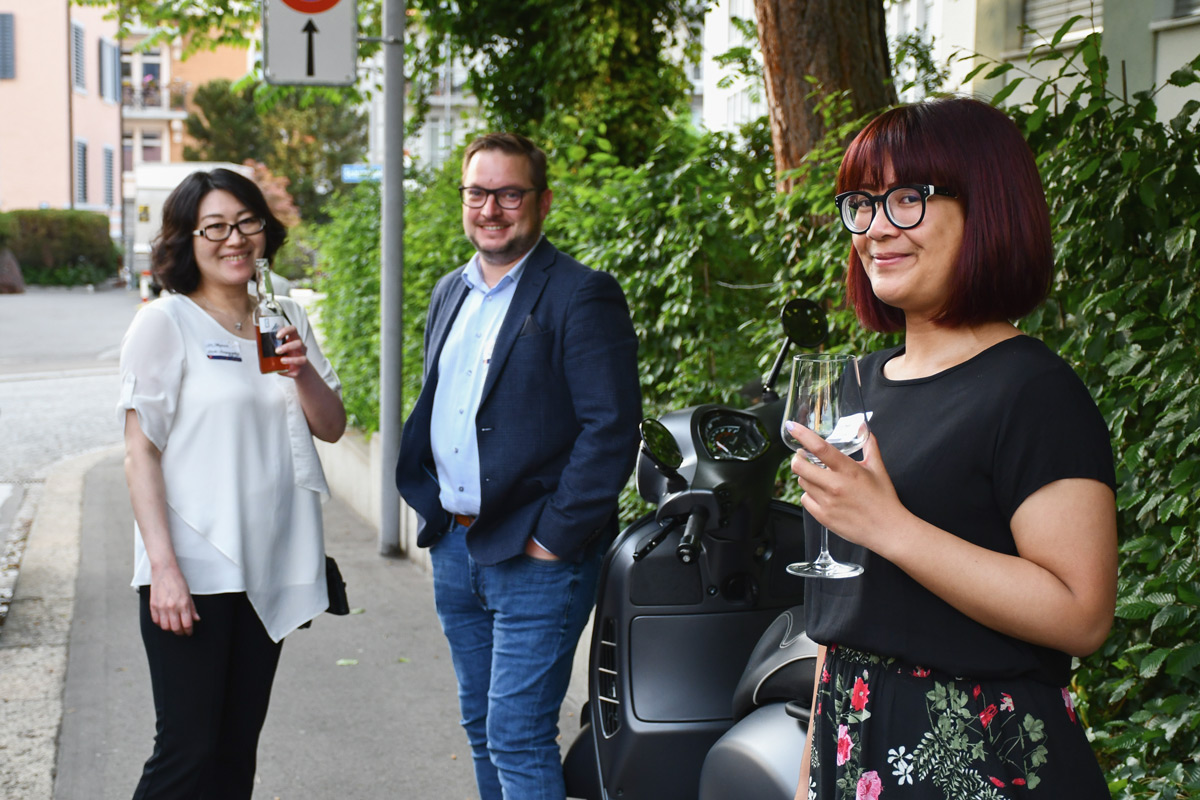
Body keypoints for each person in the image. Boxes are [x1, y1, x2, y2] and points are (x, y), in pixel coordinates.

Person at [787, 97, 1117, 799]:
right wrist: (811, 776)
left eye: (908, 198)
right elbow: (843, 624)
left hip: (982, 760)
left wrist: (892, 528)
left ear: (990, 205)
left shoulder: (1033, 390)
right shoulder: (855, 384)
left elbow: (1081, 613)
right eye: (863, 203)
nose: (877, 228)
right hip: (856, 747)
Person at [395, 132, 641, 800]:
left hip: (535, 556)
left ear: (542, 201)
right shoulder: (452, 291)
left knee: (517, 735)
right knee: (481, 727)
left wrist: (554, 538)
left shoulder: (581, 294)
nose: (492, 208)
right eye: (479, 192)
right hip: (456, 544)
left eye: (510, 193)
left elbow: (611, 428)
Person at [119, 167, 346, 799]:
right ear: (187, 240)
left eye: (246, 222)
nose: (234, 238)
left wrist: (301, 373)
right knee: (185, 754)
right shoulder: (166, 322)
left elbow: (330, 427)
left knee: (233, 755)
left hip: (267, 567)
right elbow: (140, 454)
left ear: (265, 231)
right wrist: (163, 569)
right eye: (215, 226)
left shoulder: (284, 313)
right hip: (192, 569)